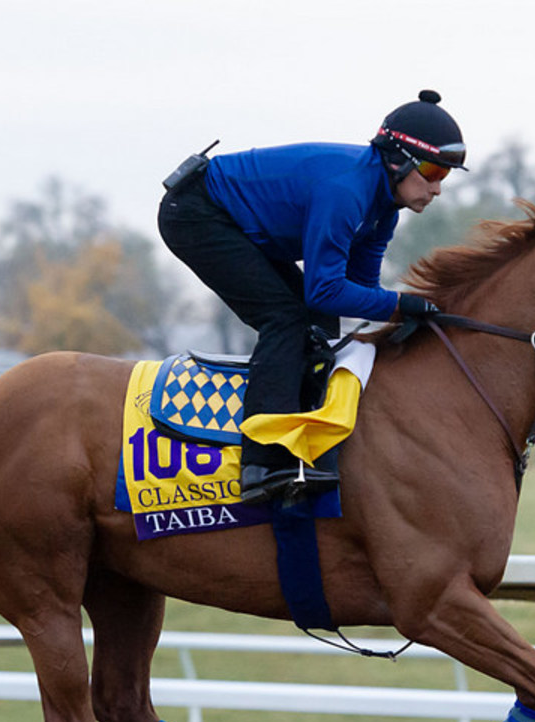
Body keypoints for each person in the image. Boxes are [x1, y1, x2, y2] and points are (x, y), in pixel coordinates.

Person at [158, 90, 466, 504]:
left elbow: (354, 294)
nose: (437, 188)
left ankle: (307, 445)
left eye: (445, 176)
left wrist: (406, 311)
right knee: (286, 319)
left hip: (237, 222)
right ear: (397, 160)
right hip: (196, 213)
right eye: (432, 171)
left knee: (319, 326)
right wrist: (400, 304)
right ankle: (262, 463)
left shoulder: (383, 212)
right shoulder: (346, 191)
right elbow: (325, 288)